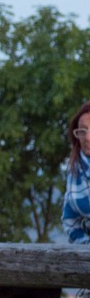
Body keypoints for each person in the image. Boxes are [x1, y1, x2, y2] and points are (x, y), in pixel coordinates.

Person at [62, 100, 90, 244]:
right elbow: (69, 219)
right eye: (82, 131)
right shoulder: (75, 171)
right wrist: (85, 246)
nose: (87, 138)